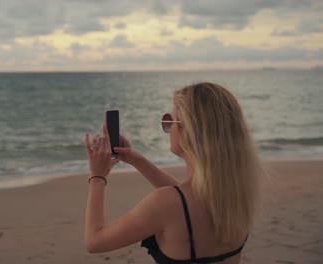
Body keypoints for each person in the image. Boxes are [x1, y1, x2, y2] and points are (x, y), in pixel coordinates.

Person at [84, 82, 265, 263]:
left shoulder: (164, 203)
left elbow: (95, 242)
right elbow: (184, 198)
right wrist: (137, 160)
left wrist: (97, 176)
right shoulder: (237, 195)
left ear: (190, 131)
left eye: (170, 121)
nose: (167, 129)